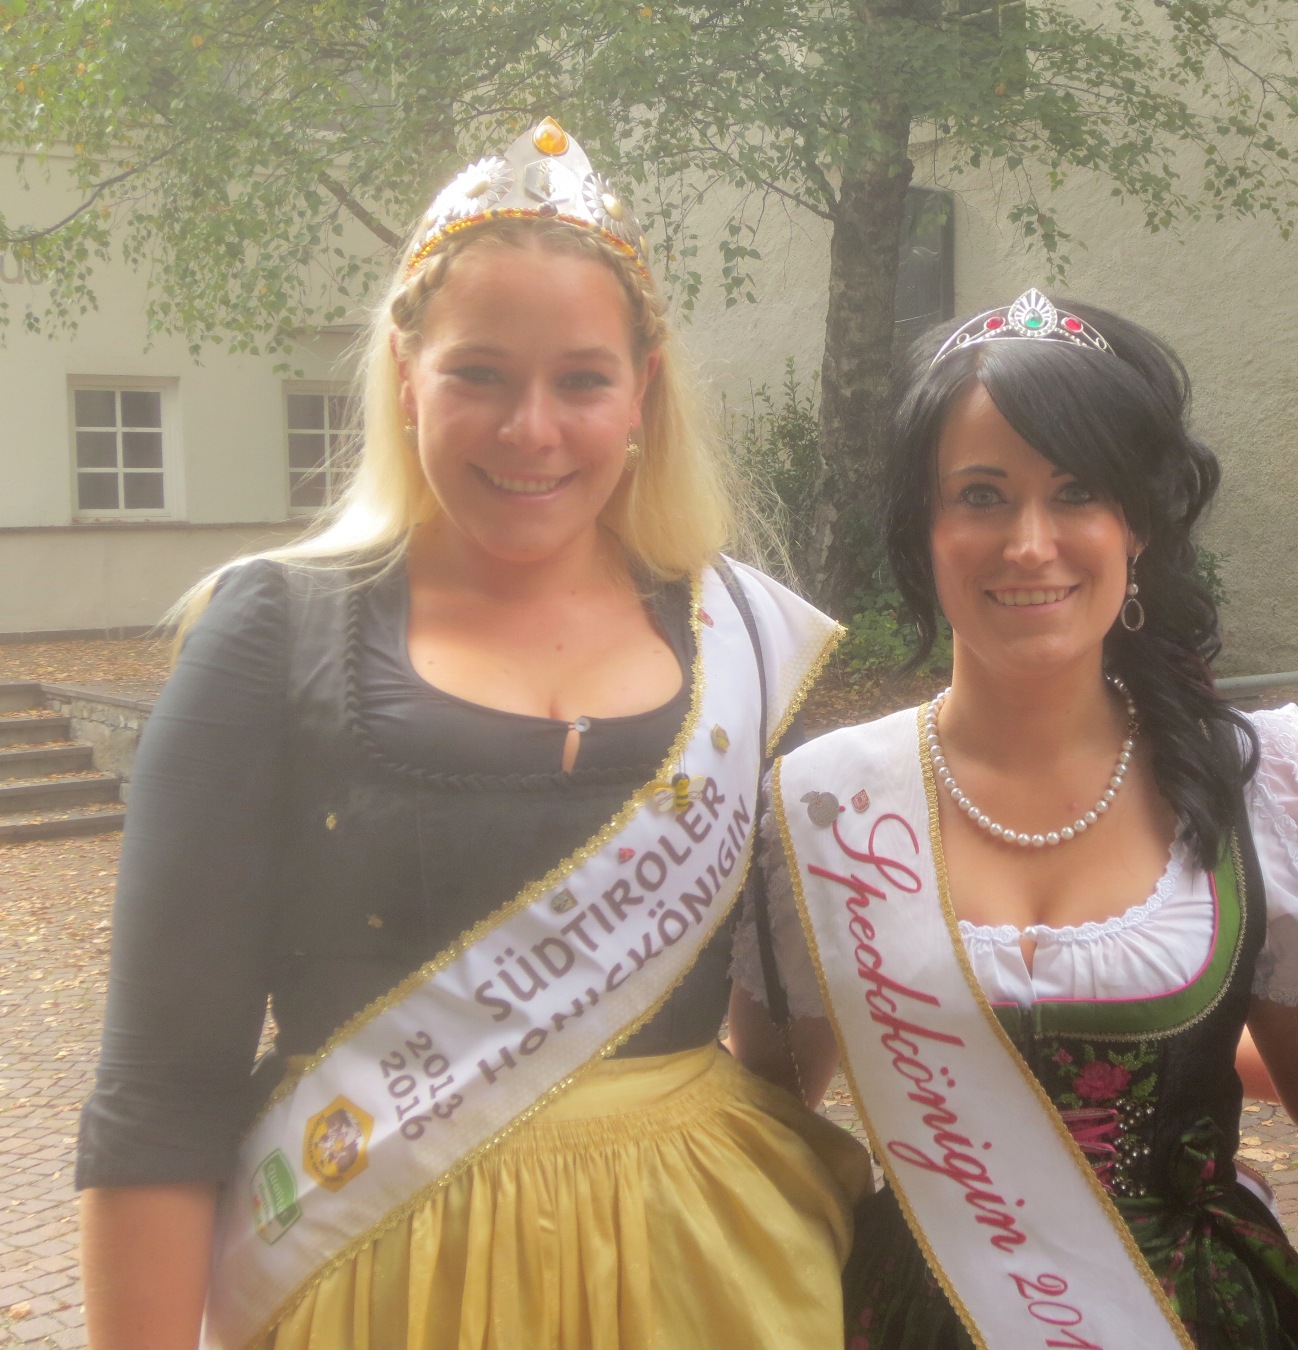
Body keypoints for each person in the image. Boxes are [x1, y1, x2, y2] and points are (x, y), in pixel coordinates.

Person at [76, 118, 868, 1350]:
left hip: (702, 1265)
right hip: (379, 1275)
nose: (530, 429)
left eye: (583, 380)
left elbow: (788, 1009)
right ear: (407, 375)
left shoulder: (743, 638)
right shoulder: (272, 631)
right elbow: (160, 1087)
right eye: (480, 374)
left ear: (644, 389)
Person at [729, 289, 1298, 1350]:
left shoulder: (1254, 783)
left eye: (1077, 491)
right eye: (981, 496)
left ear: (1137, 524)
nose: (1030, 543)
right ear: (923, 529)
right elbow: (768, 1132)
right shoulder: (822, 804)